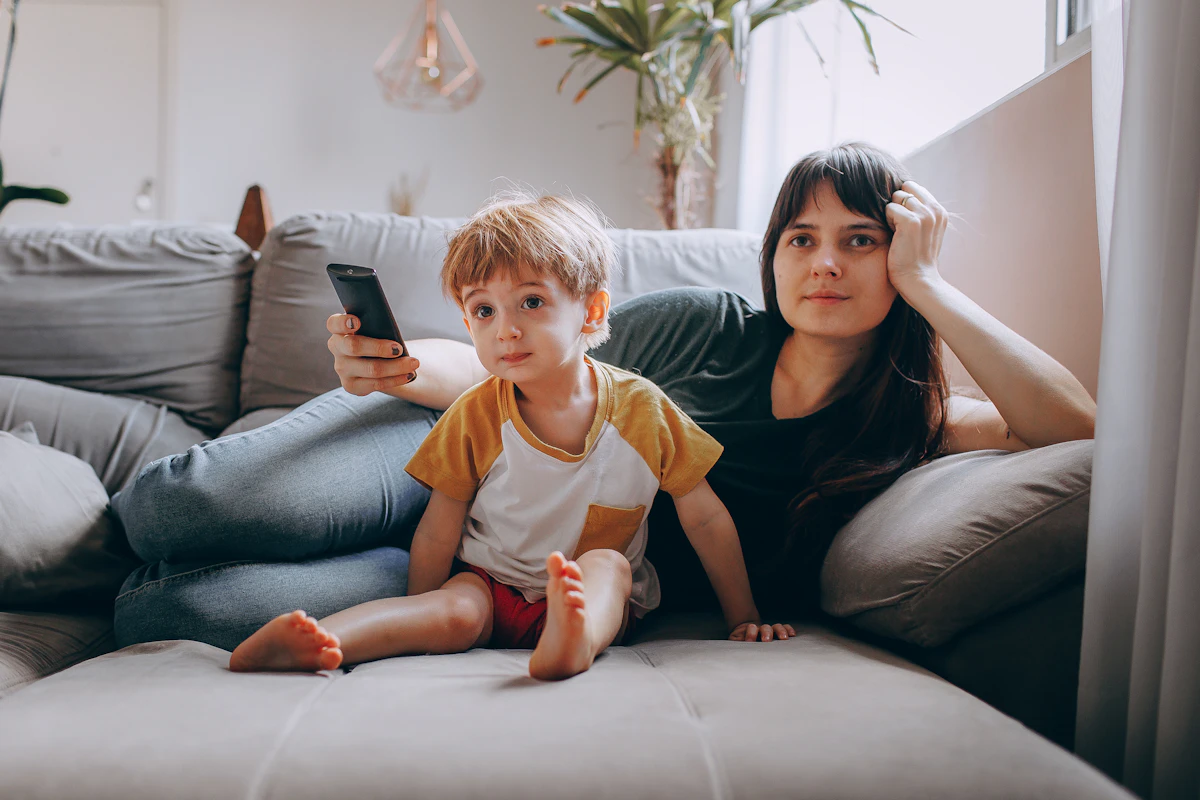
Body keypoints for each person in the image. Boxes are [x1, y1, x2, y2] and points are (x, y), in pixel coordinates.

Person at [111, 142, 1096, 650]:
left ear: (900, 256)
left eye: (860, 239)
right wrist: (407, 367)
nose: (824, 261)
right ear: (773, 254)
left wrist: (931, 285)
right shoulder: (710, 324)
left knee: (167, 611)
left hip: (511, 574)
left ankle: (122, 586)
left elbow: (1077, 429)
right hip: (452, 439)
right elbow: (518, 354)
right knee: (176, 504)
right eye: (802, 236)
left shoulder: (909, 429)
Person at [226, 193, 792, 679]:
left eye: (532, 302)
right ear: (468, 323)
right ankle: (319, 640)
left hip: (592, 594)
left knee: (609, 568)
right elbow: (437, 530)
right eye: (484, 311)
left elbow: (706, 518)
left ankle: (573, 640)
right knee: (454, 611)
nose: (507, 329)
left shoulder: (643, 410)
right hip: (491, 585)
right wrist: (423, 602)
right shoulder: (476, 414)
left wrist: (742, 615)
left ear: (592, 311)